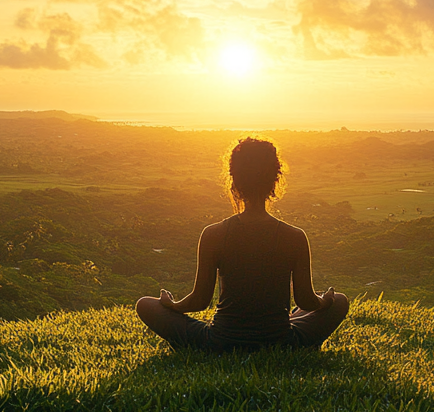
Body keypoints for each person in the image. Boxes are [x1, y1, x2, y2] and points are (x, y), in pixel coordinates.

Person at [136, 136, 349, 352]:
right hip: (281, 342)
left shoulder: (213, 234)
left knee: (146, 304)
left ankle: (188, 344)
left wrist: (172, 306)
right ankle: (301, 335)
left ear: (234, 182)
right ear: (275, 181)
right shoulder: (294, 236)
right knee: (339, 301)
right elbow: (307, 302)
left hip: (220, 342)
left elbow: (199, 301)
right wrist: (325, 302)